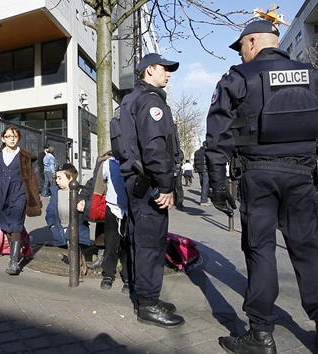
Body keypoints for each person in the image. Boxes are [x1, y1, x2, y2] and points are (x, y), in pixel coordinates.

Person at [205, 20, 318, 354]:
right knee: (311, 250)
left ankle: (261, 335)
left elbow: (218, 136)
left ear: (253, 41)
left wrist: (217, 182)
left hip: (258, 176)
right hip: (301, 176)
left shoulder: (238, 78)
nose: (241, 53)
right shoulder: (315, 77)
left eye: (241, 46)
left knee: (260, 250)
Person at [118, 53, 185, 329]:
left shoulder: (131, 99)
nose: (168, 74)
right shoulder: (150, 100)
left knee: (139, 240)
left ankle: (142, 294)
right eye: (164, 69)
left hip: (138, 181)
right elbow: (155, 146)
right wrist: (166, 185)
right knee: (151, 244)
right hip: (150, 183)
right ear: (148, 71)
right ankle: (147, 304)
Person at [0, 125, 42, 275]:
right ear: (3, 138)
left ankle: (14, 261)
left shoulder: (24, 156)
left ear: (18, 138)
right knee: (5, 224)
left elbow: (31, 178)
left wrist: (34, 198)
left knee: (16, 223)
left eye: (14, 136)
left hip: (19, 192)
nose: (12, 138)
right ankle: (21, 242)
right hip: (3, 193)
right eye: (8, 136)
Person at [79, 151, 130, 293]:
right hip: (112, 208)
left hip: (130, 210)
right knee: (111, 244)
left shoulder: (133, 161)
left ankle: (128, 276)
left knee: (127, 245)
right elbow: (97, 186)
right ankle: (108, 274)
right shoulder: (108, 163)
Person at [46, 163, 92, 263]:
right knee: (68, 245)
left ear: (70, 178)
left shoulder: (81, 192)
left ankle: (78, 263)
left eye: (59, 178)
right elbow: (50, 210)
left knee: (74, 245)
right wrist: (52, 225)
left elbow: (88, 208)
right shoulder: (55, 192)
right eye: (56, 178)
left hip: (77, 227)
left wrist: (84, 206)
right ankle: (75, 262)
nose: (56, 181)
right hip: (60, 227)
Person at [193, 142, 211, 206]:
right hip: (205, 169)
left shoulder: (197, 152)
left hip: (199, 169)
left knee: (202, 183)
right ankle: (204, 200)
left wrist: (195, 168)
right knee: (205, 184)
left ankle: (205, 196)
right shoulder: (207, 152)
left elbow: (195, 160)